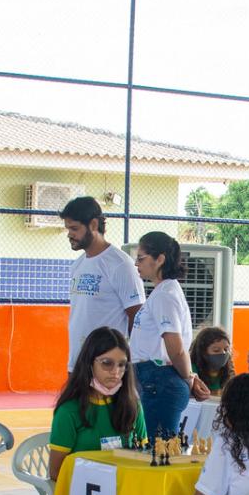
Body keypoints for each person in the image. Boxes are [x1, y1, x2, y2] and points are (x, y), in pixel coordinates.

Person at [128, 231, 205, 438]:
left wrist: (189, 377)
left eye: (141, 258)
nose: (137, 264)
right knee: (159, 449)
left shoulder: (165, 295)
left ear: (160, 259)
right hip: (156, 380)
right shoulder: (163, 292)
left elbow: (176, 348)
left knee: (161, 452)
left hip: (160, 382)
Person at [47, 327, 148, 480]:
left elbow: (144, 455)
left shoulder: (133, 406)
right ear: (89, 363)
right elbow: (56, 472)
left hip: (128, 488)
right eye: (107, 363)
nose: (115, 372)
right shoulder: (69, 411)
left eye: (122, 365)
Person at [62, 196, 143, 371]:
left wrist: (127, 363)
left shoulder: (121, 265)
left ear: (93, 225)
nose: (70, 234)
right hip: (77, 364)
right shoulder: (78, 264)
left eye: (74, 228)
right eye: (68, 229)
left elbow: (136, 315)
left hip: (107, 368)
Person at [191, 326, 235, 396]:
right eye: (216, 350)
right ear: (203, 353)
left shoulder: (229, 370)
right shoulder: (191, 370)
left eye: (226, 349)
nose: (223, 353)